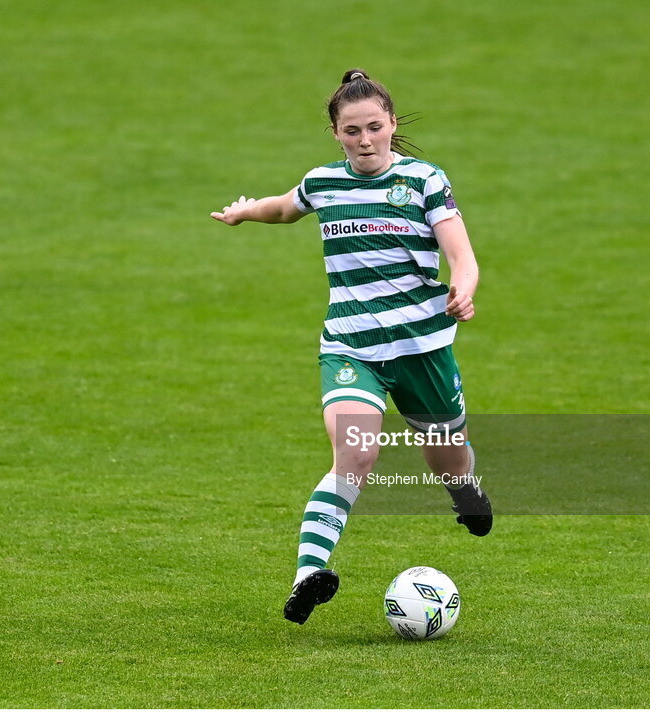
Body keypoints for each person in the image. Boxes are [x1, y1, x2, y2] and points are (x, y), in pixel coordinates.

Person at [211, 69, 492, 625]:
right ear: (335, 134)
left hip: (421, 348)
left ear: (391, 124)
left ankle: (465, 493)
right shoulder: (324, 181)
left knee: (447, 455)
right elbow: (285, 207)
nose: (365, 141)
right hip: (350, 348)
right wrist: (246, 211)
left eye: (374, 128)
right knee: (356, 456)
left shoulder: (424, 181)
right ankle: (308, 575)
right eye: (351, 131)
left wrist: (463, 289)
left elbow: (461, 253)